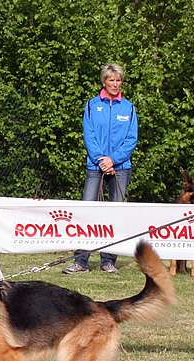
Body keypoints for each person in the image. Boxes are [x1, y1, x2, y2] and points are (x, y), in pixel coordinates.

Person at [62, 63, 138, 275]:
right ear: (104, 82)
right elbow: (89, 135)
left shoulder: (129, 107)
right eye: (111, 80)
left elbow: (132, 139)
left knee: (114, 215)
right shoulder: (91, 105)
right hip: (95, 167)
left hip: (121, 167)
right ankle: (81, 261)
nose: (115, 84)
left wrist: (113, 160)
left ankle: (108, 261)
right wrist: (101, 160)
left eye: (119, 80)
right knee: (87, 213)